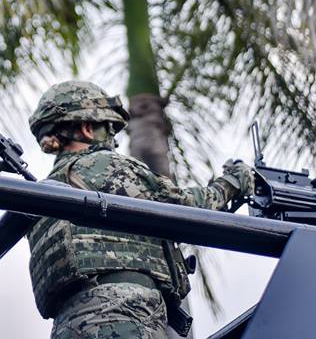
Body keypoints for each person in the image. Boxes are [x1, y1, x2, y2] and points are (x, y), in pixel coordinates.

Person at [26, 81, 255, 339]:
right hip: (121, 316)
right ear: (88, 129)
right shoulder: (101, 164)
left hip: (68, 326)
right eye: (109, 130)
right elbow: (185, 207)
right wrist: (234, 182)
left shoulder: (45, 192)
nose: (113, 142)